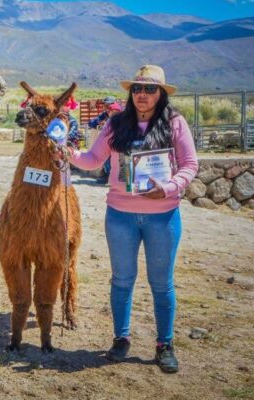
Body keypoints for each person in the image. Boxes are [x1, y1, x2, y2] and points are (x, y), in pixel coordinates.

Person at [60, 65, 198, 373]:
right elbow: (93, 159)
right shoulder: (116, 124)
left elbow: (189, 164)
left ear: (161, 93)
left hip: (163, 217)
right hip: (120, 216)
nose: (142, 95)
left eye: (150, 89)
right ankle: (121, 338)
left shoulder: (174, 123)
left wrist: (170, 187)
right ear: (130, 92)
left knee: (161, 283)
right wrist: (68, 153)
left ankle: (165, 344)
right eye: (137, 89)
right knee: (122, 280)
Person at [88, 96, 124, 183]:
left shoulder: (123, 112)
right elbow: (91, 123)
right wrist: (99, 122)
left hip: (122, 142)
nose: (107, 107)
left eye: (109, 104)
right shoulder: (105, 114)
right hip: (109, 142)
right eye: (105, 105)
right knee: (105, 156)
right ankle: (107, 175)